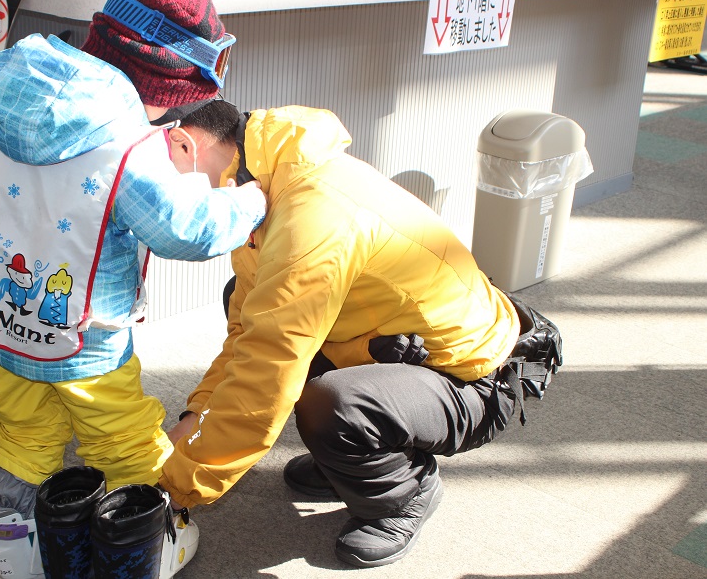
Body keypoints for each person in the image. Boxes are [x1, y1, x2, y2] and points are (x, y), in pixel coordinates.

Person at [0, 0, 265, 577]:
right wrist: (251, 200)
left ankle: (14, 541)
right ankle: (139, 548)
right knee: (122, 437)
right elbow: (186, 229)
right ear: (163, 83)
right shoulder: (126, 143)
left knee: (24, 425)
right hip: (82, 338)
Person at [155, 99, 542, 569]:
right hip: (400, 348)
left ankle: (404, 494)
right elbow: (248, 333)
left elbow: (267, 371)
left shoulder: (311, 213)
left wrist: (173, 489)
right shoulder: (266, 182)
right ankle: (346, 460)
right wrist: (195, 417)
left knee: (334, 405)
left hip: (476, 379)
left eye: (156, 182)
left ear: (184, 143)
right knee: (246, 299)